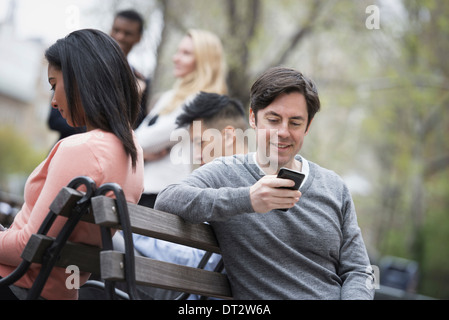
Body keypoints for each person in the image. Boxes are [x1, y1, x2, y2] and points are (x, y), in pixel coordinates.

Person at [154, 66, 375, 299]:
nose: (283, 132)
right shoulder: (227, 172)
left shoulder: (334, 188)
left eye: (295, 123)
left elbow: (358, 270)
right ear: (253, 118)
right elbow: (167, 199)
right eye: (274, 119)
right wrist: (248, 199)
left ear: (308, 126)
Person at [0, 29, 144, 300]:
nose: (53, 101)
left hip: (18, 285)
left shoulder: (82, 148)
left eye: (55, 85)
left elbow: (26, 245)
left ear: (82, 79)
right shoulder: (133, 151)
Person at [129, 92, 249, 299]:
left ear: (229, 137)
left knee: (104, 247)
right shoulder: (238, 184)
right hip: (191, 287)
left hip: (193, 294)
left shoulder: (243, 189)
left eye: (200, 142)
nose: (196, 154)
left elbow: (197, 262)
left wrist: (126, 230)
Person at [134, 29, 227, 209]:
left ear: (204, 61)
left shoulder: (203, 100)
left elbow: (145, 139)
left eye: (186, 53)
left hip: (161, 194)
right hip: (142, 189)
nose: (175, 58)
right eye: (178, 51)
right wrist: (140, 150)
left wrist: (137, 148)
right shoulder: (170, 97)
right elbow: (139, 140)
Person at [47, 9, 149, 141]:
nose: (120, 37)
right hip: (70, 148)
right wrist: (99, 132)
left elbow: (138, 125)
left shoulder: (141, 81)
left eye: (127, 33)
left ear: (138, 38)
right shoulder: (80, 65)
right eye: (116, 30)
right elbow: (55, 120)